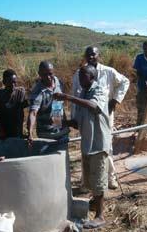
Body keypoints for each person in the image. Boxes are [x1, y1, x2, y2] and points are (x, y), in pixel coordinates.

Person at [54, 65, 110, 229]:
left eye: (83, 75)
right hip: (87, 142)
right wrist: (63, 122)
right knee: (91, 179)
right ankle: (94, 204)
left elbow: (94, 107)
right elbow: (78, 123)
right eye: (79, 75)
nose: (80, 78)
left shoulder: (99, 90)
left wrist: (67, 97)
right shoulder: (82, 94)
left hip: (99, 143)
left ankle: (100, 216)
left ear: (92, 77)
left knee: (98, 181)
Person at [72, 46, 129, 189]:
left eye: (93, 54)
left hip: (104, 116)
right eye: (88, 55)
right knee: (86, 147)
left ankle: (110, 178)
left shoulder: (108, 72)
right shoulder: (79, 74)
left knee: (105, 147)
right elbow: (75, 96)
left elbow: (125, 82)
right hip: (86, 117)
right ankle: (87, 181)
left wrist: (115, 100)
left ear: (99, 55)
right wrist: (74, 118)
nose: (91, 57)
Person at [27, 61, 69, 143]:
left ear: (53, 72)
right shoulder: (37, 91)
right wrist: (30, 133)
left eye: (50, 74)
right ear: (39, 74)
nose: (48, 77)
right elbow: (33, 113)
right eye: (44, 74)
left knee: (63, 155)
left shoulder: (58, 82)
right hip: (47, 135)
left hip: (62, 131)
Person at [0, 69, 28, 138]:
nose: (13, 85)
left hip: (17, 126)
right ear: (4, 82)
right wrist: (0, 130)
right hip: (4, 127)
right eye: (10, 82)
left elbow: (23, 105)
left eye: (15, 82)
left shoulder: (20, 92)